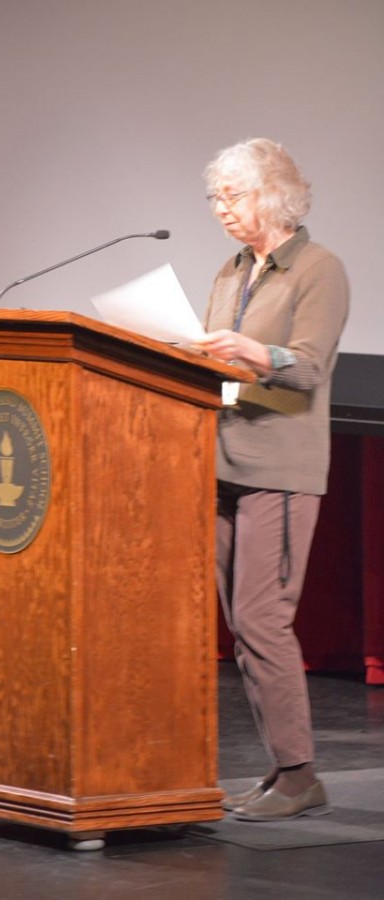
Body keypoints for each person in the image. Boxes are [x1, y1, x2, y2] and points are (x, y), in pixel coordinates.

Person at [196, 138, 349, 822]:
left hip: (279, 468)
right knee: (241, 624)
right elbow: (224, 378)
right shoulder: (230, 271)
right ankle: (282, 768)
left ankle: (299, 776)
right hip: (223, 462)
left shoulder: (318, 269)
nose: (223, 210)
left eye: (236, 195)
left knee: (263, 619)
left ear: (275, 195)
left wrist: (253, 353)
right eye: (216, 198)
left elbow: (307, 368)